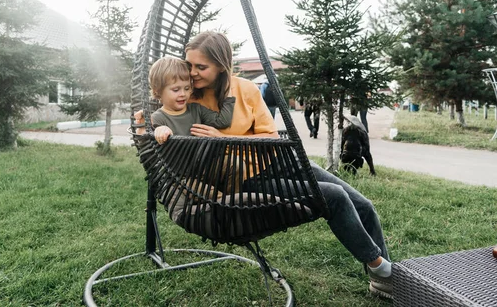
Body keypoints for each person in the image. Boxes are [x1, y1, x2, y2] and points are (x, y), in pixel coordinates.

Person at [183, 31, 393, 299]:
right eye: (190, 65)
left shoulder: (245, 89)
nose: (193, 73)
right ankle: (382, 268)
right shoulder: (190, 98)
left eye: (201, 67)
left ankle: (383, 283)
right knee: (335, 198)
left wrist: (223, 139)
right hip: (249, 178)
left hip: (282, 159)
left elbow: (270, 138)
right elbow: (164, 113)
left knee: (363, 204)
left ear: (221, 65)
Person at [141, 56, 236, 144]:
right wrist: (160, 130)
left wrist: (227, 90)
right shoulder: (157, 118)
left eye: (187, 88)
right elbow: (145, 142)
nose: (183, 94)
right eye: (176, 90)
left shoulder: (196, 110)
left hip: (203, 161)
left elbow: (223, 121)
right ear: (158, 91)